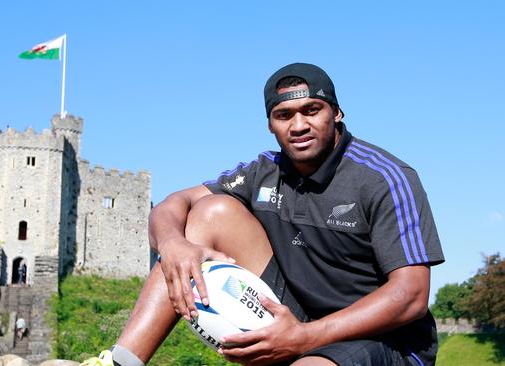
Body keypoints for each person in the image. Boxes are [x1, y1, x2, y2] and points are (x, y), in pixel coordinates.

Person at [81, 62, 444, 366]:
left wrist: (304, 338)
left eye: (311, 111)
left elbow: (411, 296)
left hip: (382, 339)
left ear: (337, 112)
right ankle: (120, 362)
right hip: (295, 313)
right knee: (208, 213)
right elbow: (172, 203)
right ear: (270, 124)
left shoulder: (385, 178)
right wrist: (173, 244)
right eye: (283, 115)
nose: (298, 125)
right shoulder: (264, 171)